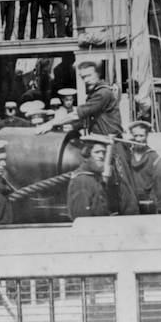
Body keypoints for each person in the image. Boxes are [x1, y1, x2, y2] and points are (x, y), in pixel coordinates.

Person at [37, 61, 138, 215]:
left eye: (89, 75)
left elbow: (78, 114)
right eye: (83, 77)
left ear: (98, 74)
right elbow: (83, 121)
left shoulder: (102, 93)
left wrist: (51, 123)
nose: (87, 80)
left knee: (125, 193)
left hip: (113, 147)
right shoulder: (93, 94)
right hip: (102, 147)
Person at [67, 134, 112, 219]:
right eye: (97, 152)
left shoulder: (94, 177)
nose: (101, 156)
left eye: (103, 152)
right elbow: (81, 218)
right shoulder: (82, 180)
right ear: (87, 155)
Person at [127, 120, 158, 212]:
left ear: (147, 136)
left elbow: (157, 182)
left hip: (149, 200)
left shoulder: (153, 156)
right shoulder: (127, 155)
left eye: (141, 136)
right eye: (135, 136)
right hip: (131, 199)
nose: (138, 139)